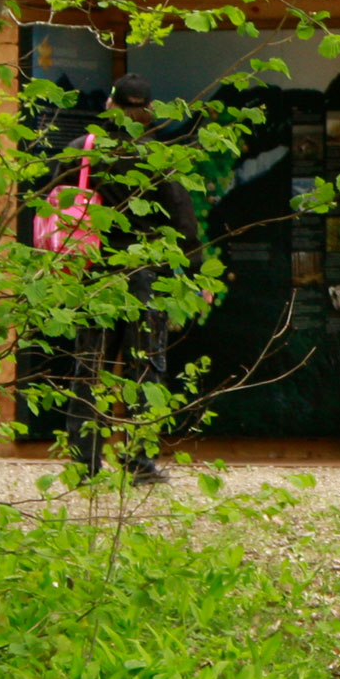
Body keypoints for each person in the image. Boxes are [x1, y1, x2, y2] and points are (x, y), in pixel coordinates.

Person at [58, 77, 203, 484]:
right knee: (144, 369)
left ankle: (84, 465)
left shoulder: (81, 152)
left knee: (88, 368)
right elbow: (184, 222)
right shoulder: (158, 157)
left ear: (110, 104)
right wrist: (195, 274)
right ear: (149, 111)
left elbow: (55, 206)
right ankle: (139, 463)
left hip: (91, 275)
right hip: (144, 277)